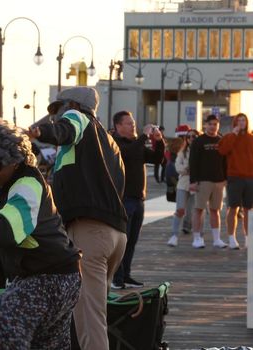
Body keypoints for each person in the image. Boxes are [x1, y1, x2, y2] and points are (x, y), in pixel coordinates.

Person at [28, 86, 127, 350]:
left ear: (72, 104)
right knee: (90, 313)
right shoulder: (109, 142)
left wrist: (41, 132)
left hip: (90, 232)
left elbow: (65, 128)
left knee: (90, 320)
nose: (56, 115)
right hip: (115, 234)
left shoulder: (78, 118)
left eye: (59, 109)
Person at [0, 121, 81, 349]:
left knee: (5, 317)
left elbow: (5, 233)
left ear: (15, 161)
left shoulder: (26, 185)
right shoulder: (14, 184)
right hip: (60, 277)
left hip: (49, 278)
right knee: (49, 343)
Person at [111, 111, 165, 290]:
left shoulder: (136, 143)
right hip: (124, 198)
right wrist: (144, 136)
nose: (133, 125)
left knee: (132, 241)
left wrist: (159, 141)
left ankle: (126, 275)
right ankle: (116, 278)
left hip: (138, 198)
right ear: (118, 126)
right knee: (122, 241)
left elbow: (157, 159)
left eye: (133, 123)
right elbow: (126, 154)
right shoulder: (114, 143)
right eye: (128, 123)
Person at [189, 114, 228, 249]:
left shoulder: (221, 140)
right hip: (202, 181)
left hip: (219, 181)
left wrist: (226, 179)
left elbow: (225, 162)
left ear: (218, 125)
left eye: (215, 124)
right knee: (199, 209)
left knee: (215, 210)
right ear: (205, 125)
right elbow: (193, 162)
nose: (213, 126)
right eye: (210, 124)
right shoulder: (198, 141)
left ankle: (217, 239)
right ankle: (197, 238)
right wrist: (193, 181)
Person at [218, 113, 253, 249]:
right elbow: (223, 151)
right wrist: (233, 134)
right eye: (239, 120)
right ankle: (232, 238)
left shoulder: (251, 139)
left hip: (250, 178)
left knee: (249, 209)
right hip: (234, 177)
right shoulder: (229, 137)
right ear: (235, 123)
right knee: (233, 208)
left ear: (247, 122)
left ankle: (248, 238)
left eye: (243, 120)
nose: (241, 123)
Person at [168, 129, 200, 247]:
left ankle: (188, 227)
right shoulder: (182, 152)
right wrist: (186, 169)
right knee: (180, 209)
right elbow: (178, 167)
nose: (192, 139)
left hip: (196, 184)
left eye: (194, 137)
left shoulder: (200, 152)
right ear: (186, 139)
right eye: (189, 137)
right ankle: (174, 235)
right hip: (183, 183)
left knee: (192, 210)